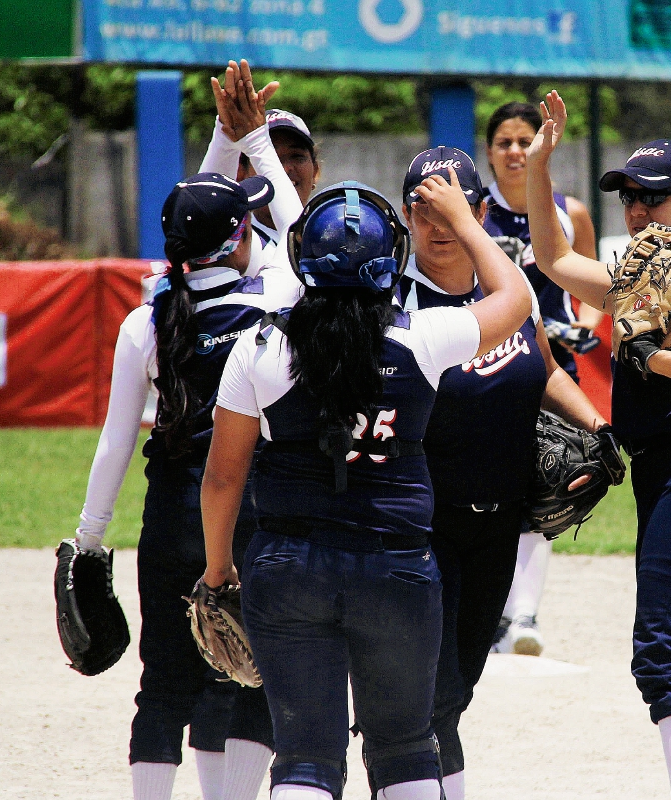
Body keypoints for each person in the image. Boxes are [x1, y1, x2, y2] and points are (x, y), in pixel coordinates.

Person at [199, 174, 532, 800]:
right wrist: (465, 221)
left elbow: (221, 480)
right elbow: (515, 296)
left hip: (288, 564)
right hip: (395, 567)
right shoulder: (422, 337)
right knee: (405, 748)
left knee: (305, 755)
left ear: (301, 257)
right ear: (392, 260)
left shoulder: (259, 346)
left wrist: (218, 572)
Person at [526, 90, 671, 800]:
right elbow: (551, 257)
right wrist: (540, 166)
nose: (636, 209)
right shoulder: (640, 280)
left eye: (654, 197)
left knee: (661, 659)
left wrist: (653, 359)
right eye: (628, 196)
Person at [73, 164, 303, 800]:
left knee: (163, 686)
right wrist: (255, 143)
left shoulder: (145, 322)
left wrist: (89, 540)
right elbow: (300, 235)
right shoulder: (274, 304)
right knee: (254, 678)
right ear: (240, 238)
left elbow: (115, 443)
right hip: (250, 515)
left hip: (170, 519)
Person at [394, 145, 609, 799]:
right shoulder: (394, 299)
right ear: (405, 215)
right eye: (424, 209)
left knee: (456, 692)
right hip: (421, 526)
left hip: (497, 530)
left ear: (481, 213)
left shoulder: (508, 291)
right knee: (432, 696)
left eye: (454, 209)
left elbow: (544, 368)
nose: (439, 225)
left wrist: (597, 427)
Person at [481, 100, 604, 656]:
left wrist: (582, 328)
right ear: (489, 152)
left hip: (551, 366)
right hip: (488, 361)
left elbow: (595, 289)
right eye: (503, 142)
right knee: (486, 489)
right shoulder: (475, 209)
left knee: (546, 480)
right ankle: (490, 612)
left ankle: (523, 617)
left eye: (524, 141)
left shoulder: (569, 212)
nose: (514, 151)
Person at [199, 59, 319, 275]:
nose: (284, 169)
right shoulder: (240, 245)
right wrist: (225, 138)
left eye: (296, 156)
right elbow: (206, 219)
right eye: (270, 158)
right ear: (241, 173)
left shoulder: (330, 236)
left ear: (316, 172)